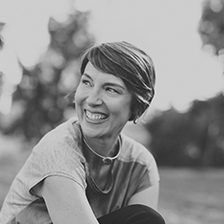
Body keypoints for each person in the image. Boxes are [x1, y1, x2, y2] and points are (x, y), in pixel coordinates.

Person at [0, 41, 165, 224]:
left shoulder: (140, 165)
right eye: (87, 82)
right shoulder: (58, 151)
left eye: (110, 89)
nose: (92, 99)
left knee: (146, 219)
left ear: (137, 106)